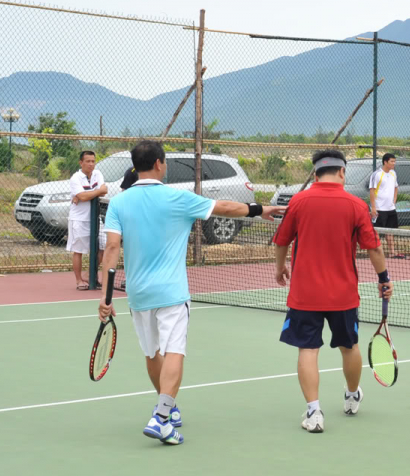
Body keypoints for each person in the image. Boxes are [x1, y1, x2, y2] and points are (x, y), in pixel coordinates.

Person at [98, 140, 285, 445]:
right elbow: (224, 207)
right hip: (171, 292)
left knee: (151, 353)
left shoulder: (119, 202)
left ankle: (167, 408)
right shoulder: (178, 197)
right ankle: (160, 418)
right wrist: (259, 209)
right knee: (174, 351)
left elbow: (112, 249)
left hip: (138, 293)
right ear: (159, 164)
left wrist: (105, 298)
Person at [273, 149, 393, 434]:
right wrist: (384, 279)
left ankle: (314, 412)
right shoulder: (355, 205)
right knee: (349, 347)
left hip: (305, 295)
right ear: (342, 172)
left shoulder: (299, 201)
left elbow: (281, 241)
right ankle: (352, 397)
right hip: (343, 295)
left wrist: (279, 269)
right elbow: (373, 247)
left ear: (315, 174)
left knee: (307, 349)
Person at [67, 150, 108, 290]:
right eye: (88, 161)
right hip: (79, 219)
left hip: (96, 218)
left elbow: (104, 190)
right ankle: (79, 281)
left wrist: (85, 195)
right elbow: (84, 197)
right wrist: (90, 194)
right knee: (78, 251)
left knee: (103, 246)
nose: (91, 164)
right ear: (81, 163)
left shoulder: (98, 174)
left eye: (93, 161)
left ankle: (90, 275)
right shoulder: (75, 178)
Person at [369, 153, 405, 259]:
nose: (394, 163)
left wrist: (394, 199)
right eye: (392, 161)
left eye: (395, 161)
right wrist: (374, 207)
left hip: (391, 209)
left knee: (390, 231)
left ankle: (392, 252)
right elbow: (372, 191)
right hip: (380, 209)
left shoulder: (393, 173)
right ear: (385, 162)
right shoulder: (376, 175)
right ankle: (376, 253)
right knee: (376, 233)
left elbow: (396, 187)